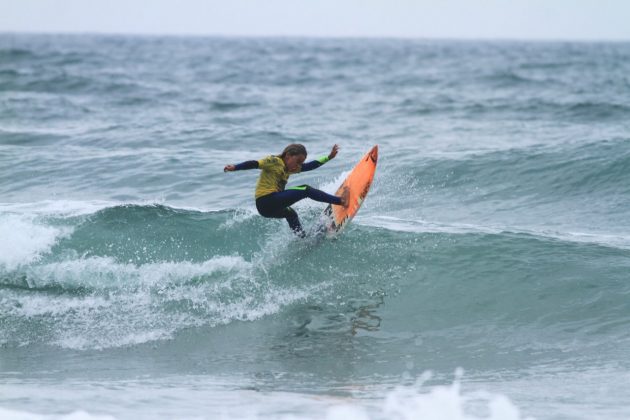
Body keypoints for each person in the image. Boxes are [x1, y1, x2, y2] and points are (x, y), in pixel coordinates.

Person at [224, 143, 348, 236]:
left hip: (266, 209)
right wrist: (235, 167)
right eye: (297, 161)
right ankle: (341, 201)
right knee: (306, 189)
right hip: (266, 200)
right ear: (288, 155)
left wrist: (329, 157)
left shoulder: (290, 168)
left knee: (291, 214)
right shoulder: (274, 161)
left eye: (301, 163)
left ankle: (302, 238)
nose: (298, 165)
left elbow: (309, 166)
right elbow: (254, 163)